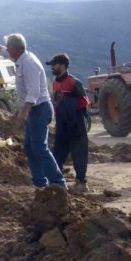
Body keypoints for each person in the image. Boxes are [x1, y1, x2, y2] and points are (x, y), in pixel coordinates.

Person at [0, 32, 67, 190]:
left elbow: (34, 92)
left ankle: (59, 183)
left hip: (40, 109)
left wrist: (23, 112)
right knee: (30, 148)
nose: (7, 52)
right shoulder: (20, 57)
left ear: (15, 49)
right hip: (34, 110)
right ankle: (39, 183)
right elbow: (1, 51)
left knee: (39, 148)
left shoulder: (29, 63)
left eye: (9, 49)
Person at [48, 53, 91, 194]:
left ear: (63, 66)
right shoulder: (55, 83)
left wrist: (79, 117)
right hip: (61, 123)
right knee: (58, 152)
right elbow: (55, 102)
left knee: (79, 152)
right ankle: (56, 181)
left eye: (54, 65)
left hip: (75, 122)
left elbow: (84, 102)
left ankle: (81, 183)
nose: (52, 68)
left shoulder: (74, 82)